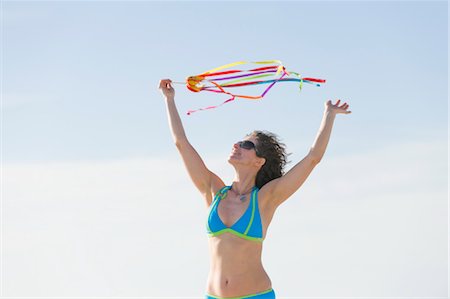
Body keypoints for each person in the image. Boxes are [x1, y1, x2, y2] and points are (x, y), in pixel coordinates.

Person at [158, 79, 351, 299]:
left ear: (260, 161)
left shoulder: (267, 198)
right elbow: (181, 143)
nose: (237, 145)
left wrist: (329, 115)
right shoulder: (213, 190)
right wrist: (170, 100)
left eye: (247, 145)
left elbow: (313, 158)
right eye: (239, 142)